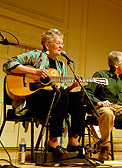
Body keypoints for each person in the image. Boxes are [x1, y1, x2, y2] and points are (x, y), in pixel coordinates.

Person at [3, 29, 85, 158]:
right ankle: (52, 142)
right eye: (58, 43)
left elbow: (62, 91)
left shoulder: (61, 65)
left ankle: (74, 140)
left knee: (78, 97)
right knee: (61, 95)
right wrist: (35, 73)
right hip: (32, 98)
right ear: (47, 45)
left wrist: (72, 86)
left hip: (54, 99)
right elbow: (7, 64)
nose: (61, 46)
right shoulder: (35, 55)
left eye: (62, 43)